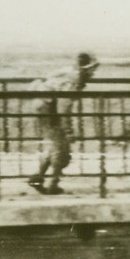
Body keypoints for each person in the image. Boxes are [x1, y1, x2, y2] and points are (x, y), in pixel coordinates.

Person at [26, 52, 100, 195]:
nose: (93, 74)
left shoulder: (67, 72)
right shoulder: (73, 79)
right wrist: (69, 131)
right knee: (62, 150)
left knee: (55, 146)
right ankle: (52, 184)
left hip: (43, 108)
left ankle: (38, 178)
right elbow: (63, 108)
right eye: (92, 70)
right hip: (50, 110)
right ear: (86, 68)